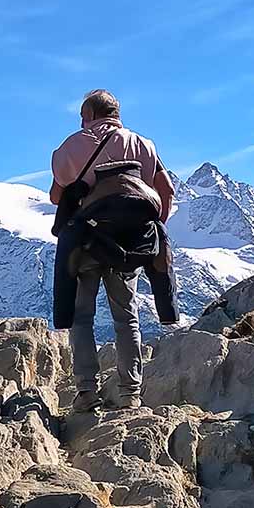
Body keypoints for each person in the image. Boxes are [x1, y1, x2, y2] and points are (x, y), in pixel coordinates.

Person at [50, 89, 175, 412]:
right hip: (130, 243)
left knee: (82, 317)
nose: (80, 121)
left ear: (90, 114)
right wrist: (153, 226)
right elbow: (166, 190)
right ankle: (131, 393)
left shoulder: (72, 146)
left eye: (82, 115)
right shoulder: (143, 145)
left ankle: (87, 392)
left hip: (87, 241)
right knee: (126, 316)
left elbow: (55, 196)